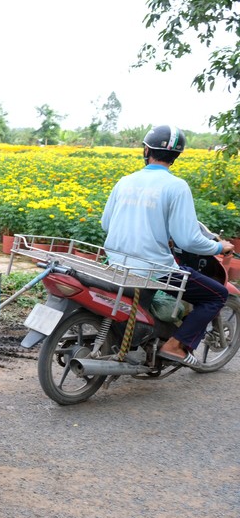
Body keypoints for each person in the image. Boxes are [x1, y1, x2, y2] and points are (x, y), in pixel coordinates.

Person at [101, 124, 234, 367]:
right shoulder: (176, 186)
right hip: (154, 270)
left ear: (146, 150)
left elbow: (106, 224)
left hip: (115, 263)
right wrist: (217, 247)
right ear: (176, 156)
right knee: (218, 294)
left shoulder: (124, 181)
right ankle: (175, 345)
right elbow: (189, 240)